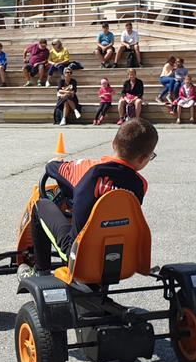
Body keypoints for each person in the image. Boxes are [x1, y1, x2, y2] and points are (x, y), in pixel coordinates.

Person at [28, 119, 157, 277]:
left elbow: (51, 167)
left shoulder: (86, 169)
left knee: (40, 205)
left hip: (79, 254)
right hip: (119, 253)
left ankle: (41, 271)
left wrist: (56, 164)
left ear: (113, 143)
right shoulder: (141, 184)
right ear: (144, 158)